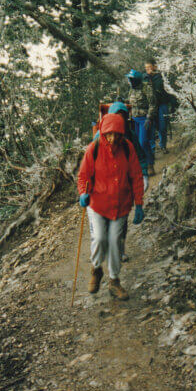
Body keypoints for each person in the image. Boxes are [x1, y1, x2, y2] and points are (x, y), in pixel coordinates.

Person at [77, 113, 144, 300]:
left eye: (117, 134)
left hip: (121, 205)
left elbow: (136, 177)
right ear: (103, 132)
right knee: (99, 238)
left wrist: (139, 203)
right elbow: (83, 176)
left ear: (122, 133)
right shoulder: (94, 148)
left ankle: (114, 281)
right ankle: (96, 269)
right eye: (109, 134)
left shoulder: (128, 148)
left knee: (115, 242)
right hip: (97, 203)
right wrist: (83, 193)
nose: (113, 138)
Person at [93, 101, 148, 262]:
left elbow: (140, 156)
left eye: (124, 117)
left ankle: (120, 248)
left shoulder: (129, 135)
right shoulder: (99, 137)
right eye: (118, 116)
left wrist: (143, 174)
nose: (121, 120)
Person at [126, 69, 157, 176]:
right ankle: (142, 166)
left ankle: (150, 165)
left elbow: (153, 104)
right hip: (135, 119)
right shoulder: (131, 90)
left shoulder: (146, 88)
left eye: (131, 79)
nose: (129, 81)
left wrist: (149, 118)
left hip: (144, 119)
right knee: (138, 144)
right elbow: (130, 102)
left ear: (136, 80)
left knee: (143, 142)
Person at [144, 59, 168, 154]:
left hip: (161, 104)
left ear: (154, 67)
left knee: (162, 126)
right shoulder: (145, 78)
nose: (148, 70)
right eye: (146, 68)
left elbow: (165, 90)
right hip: (150, 106)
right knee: (151, 127)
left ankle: (163, 145)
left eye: (149, 67)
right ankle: (152, 148)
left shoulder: (161, 77)